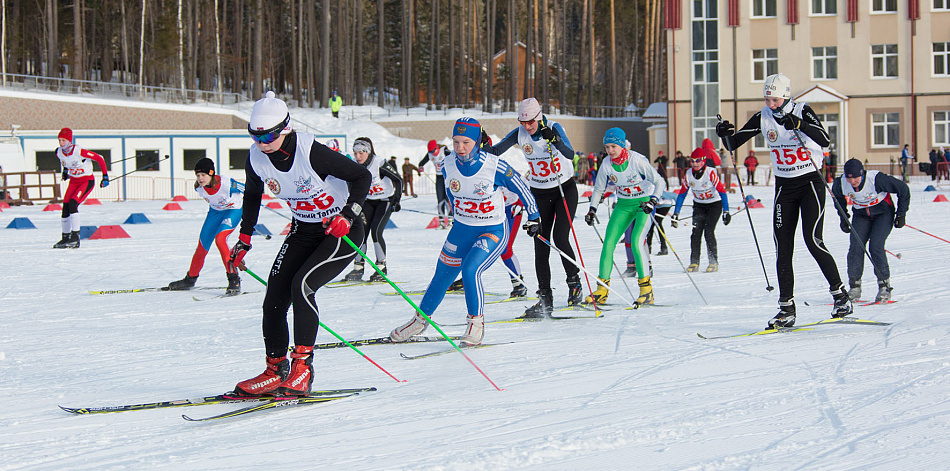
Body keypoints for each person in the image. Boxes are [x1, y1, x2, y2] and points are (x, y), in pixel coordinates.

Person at [228, 91, 371, 397]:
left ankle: (302, 370)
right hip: (303, 229)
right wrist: (244, 239)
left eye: (267, 136)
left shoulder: (311, 152)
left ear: (285, 128)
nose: (262, 143)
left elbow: (362, 176)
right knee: (274, 296)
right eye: (255, 136)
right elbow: (252, 196)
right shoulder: (255, 158)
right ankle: (274, 370)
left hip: (340, 231)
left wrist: (349, 213)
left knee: (302, 286)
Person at [716, 72, 851, 329]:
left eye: (775, 100)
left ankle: (840, 295)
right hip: (784, 187)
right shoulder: (763, 116)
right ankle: (786, 308)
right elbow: (734, 143)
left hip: (810, 182)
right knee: (782, 247)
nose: (771, 105)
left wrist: (799, 125)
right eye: (767, 99)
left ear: (786, 96)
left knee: (813, 240)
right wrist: (724, 134)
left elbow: (824, 139)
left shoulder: (803, 110)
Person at [389, 117, 540, 346]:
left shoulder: (493, 165)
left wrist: (534, 216)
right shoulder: (447, 164)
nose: (460, 148)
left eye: (466, 142)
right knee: (441, 276)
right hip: (462, 229)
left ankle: (475, 324)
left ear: (478, 141)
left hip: (492, 230)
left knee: (471, 270)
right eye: (456, 142)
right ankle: (419, 321)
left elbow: (521, 187)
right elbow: (451, 192)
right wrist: (457, 211)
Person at [486, 97, 583, 316]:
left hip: (563, 190)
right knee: (541, 244)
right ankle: (545, 298)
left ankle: (574, 285)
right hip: (539, 193)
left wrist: (555, 140)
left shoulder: (554, 127)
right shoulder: (519, 133)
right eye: (523, 122)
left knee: (560, 238)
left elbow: (570, 153)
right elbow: (496, 152)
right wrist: (480, 146)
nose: (527, 126)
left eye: (530, 122)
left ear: (538, 117)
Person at [582, 127, 665, 305]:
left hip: (643, 204)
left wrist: (653, 200)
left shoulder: (637, 160)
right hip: (623, 205)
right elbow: (599, 189)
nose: (610, 151)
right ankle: (602, 290)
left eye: (614, 147)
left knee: (636, 241)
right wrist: (592, 209)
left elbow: (659, 181)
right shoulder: (606, 164)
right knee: (608, 243)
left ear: (621, 145)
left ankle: (646, 291)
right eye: (607, 147)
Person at [832, 159, 910, 303]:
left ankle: (884, 287)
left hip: (883, 213)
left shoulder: (877, 179)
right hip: (861, 215)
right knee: (856, 247)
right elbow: (837, 198)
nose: (853, 181)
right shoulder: (840, 183)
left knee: (876, 246)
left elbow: (903, 190)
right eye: (849, 178)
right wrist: (844, 217)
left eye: (856, 177)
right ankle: (854, 288)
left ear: (862, 174)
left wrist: (901, 214)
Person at [166, 158, 244, 295]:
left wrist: (252, 199)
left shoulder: (227, 183)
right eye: (197, 175)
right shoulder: (199, 187)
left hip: (233, 211)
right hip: (215, 213)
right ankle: (190, 279)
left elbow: (250, 190)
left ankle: (233, 278)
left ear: (211, 173)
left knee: (220, 239)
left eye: (203, 175)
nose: (200, 178)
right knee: (202, 245)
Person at [342, 137, 402, 282]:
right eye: (355, 153)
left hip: (384, 201)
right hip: (367, 202)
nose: (358, 156)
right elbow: (351, 185)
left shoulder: (379, 162)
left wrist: (396, 199)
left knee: (376, 232)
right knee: (360, 233)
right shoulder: (355, 165)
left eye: (361, 153)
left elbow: (398, 180)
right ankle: (358, 268)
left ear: (368, 152)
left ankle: (381, 267)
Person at [670, 147, 731, 273]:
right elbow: (682, 194)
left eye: (697, 161)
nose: (695, 164)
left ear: (703, 160)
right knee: (696, 233)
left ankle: (713, 262)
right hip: (699, 206)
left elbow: (722, 192)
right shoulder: (688, 174)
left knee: (708, 231)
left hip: (714, 205)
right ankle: (694, 262)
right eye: (692, 161)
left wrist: (726, 211)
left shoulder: (710, 173)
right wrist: (676, 213)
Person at [53, 127, 110, 249]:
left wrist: (105, 176)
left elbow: (100, 158)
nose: (61, 143)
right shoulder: (59, 152)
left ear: (69, 141)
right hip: (74, 182)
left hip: (86, 181)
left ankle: (75, 237)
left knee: (73, 205)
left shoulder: (79, 151)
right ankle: (65, 237)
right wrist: (65, 172)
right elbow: (65, 162)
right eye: (59, 140)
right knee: (65, 208)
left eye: (63, 140)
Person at [418, 139, 452, 228]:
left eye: (433, 151)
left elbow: (454, 157)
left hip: (447, 177)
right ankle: (441, 222)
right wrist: (420, 167)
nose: (432, 153)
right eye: (430, 152)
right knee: (440, 200)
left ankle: (450, 221)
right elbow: (421, 162)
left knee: (447, 199)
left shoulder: (444, 151)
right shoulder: (430, 154)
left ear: (437, 147)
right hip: (439, 178)